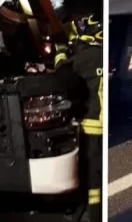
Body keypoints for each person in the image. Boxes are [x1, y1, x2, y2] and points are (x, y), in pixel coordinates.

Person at [54, 14, 103, 222]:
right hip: (101, 127)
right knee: (97, 180)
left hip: (90, 129)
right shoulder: (101, 55)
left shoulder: (84, 59)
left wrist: (60, 51)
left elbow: (62, 77)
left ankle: (90, 215)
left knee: (89, 180)